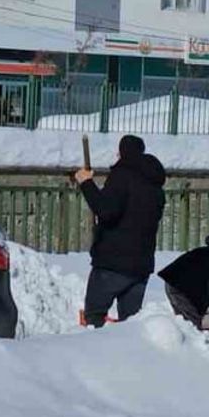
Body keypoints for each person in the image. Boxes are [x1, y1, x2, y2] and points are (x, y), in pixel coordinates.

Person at [74, 134, 166, 327]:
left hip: (112, 263)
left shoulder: (122, 175)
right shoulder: (155, 185)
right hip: (141, 267)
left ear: (121, 153)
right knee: (130, 326)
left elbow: (106, 211)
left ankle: (91, 356)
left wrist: (86, 183)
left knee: (94, 319)